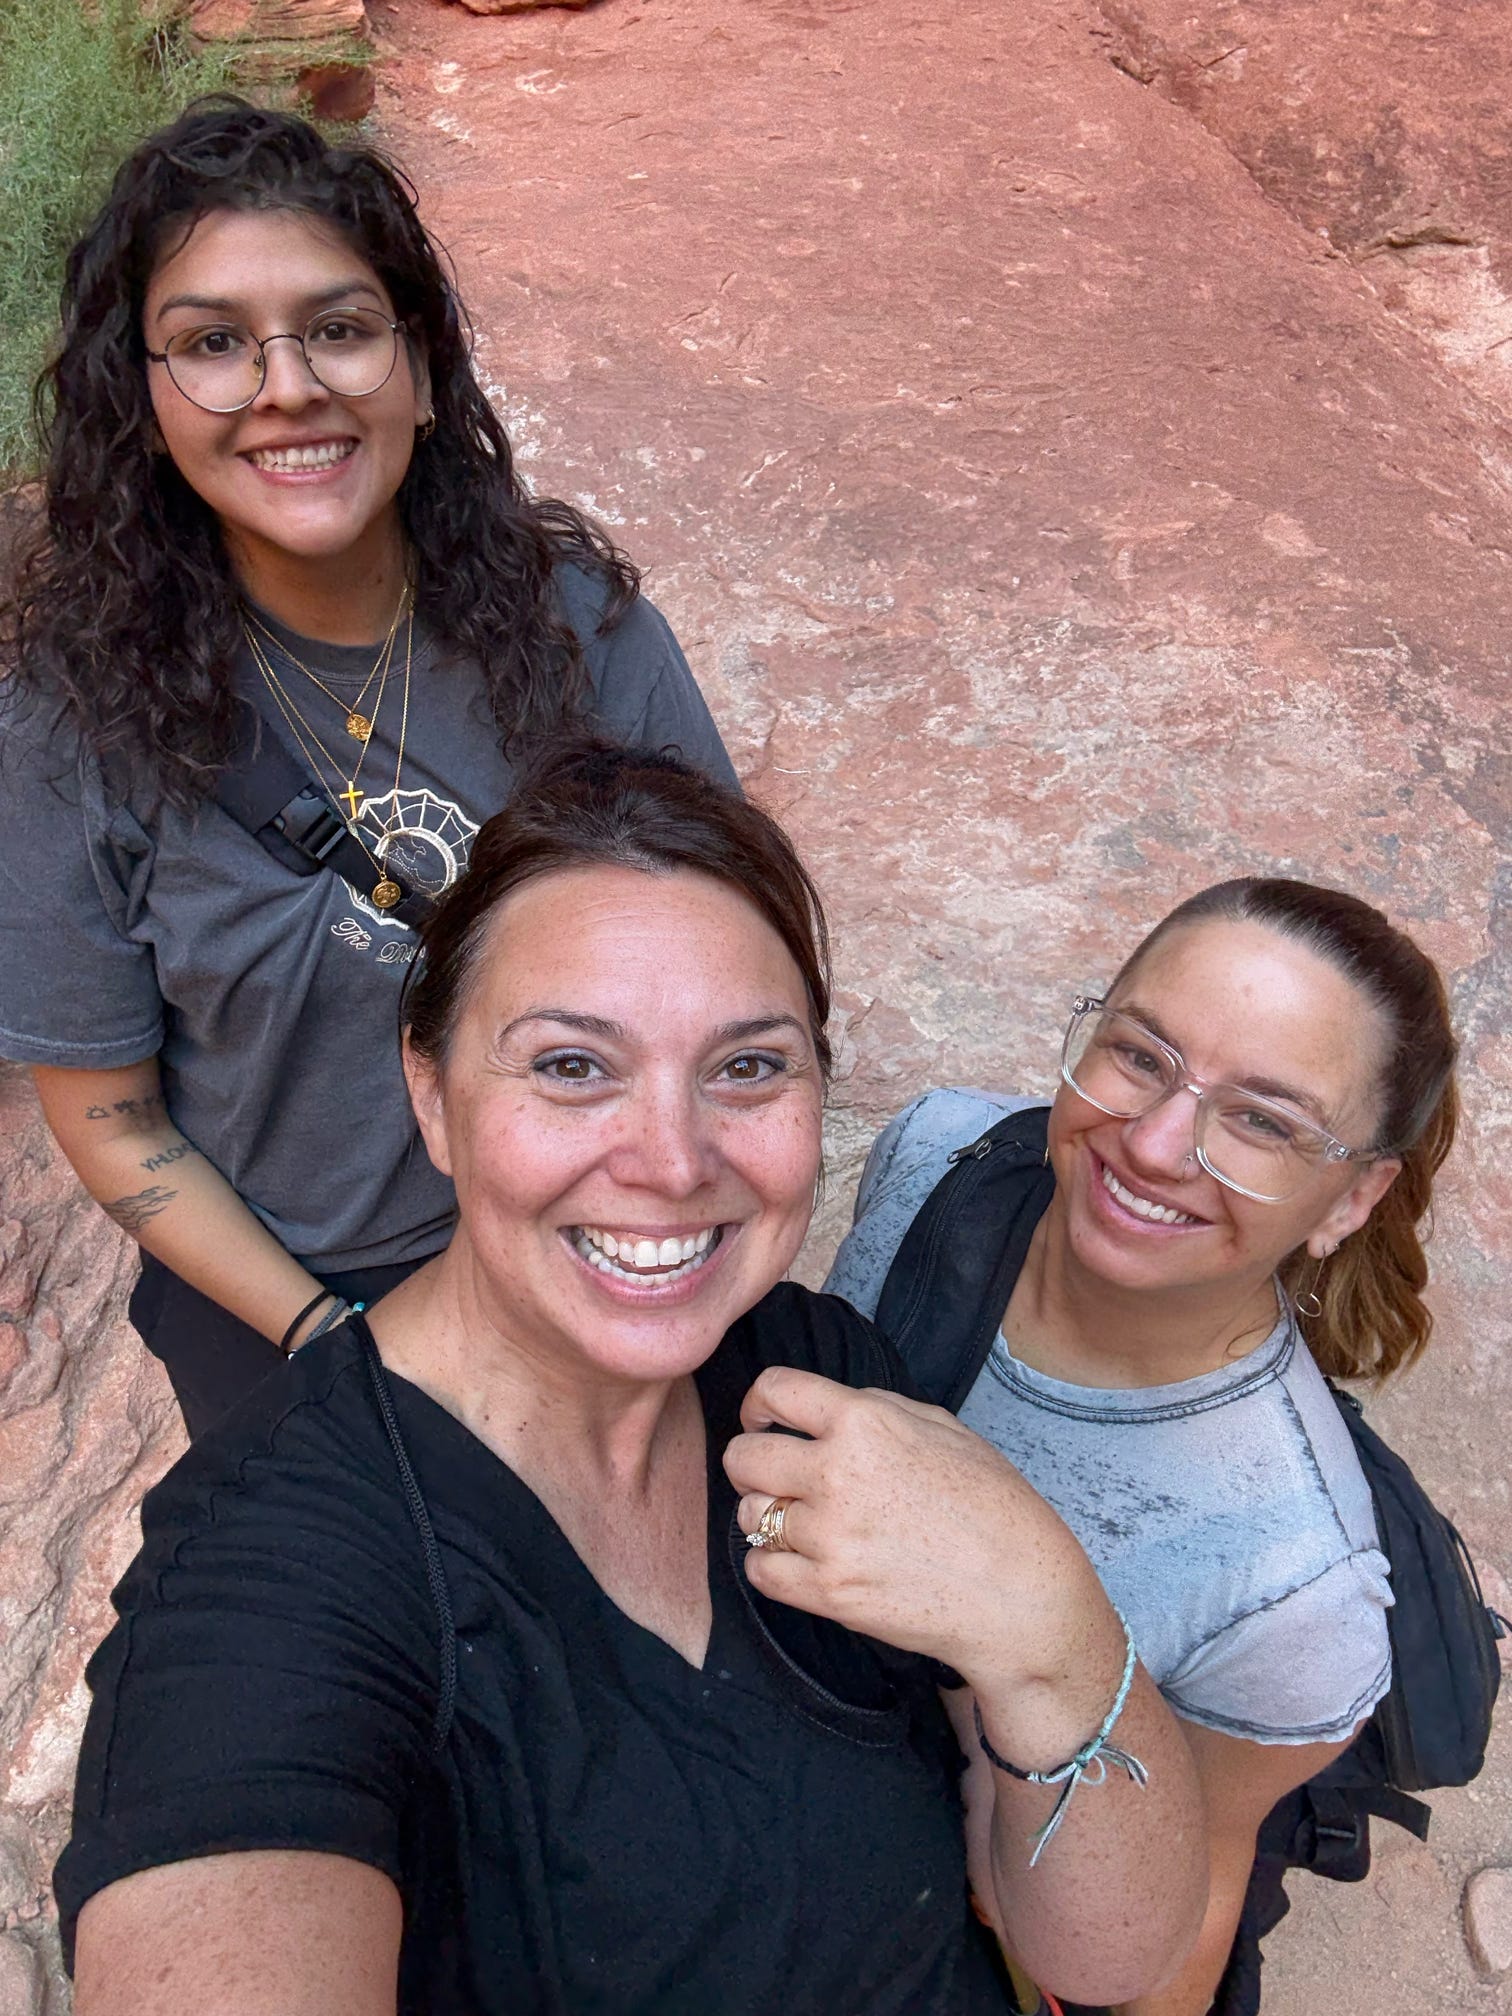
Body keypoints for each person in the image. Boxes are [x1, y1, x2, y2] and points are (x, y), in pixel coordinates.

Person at [55, 742, 1206, 2016]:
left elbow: (1104, 1954)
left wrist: (1052, 1624)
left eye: (749, 1067)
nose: (670, 1160)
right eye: (570, 1065)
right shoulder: (269, 1587)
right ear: (431, 1094)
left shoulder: (819, 1371)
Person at [0, 98, 733, 1439]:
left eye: (339, 329)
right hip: (297, 1294)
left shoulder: (576, 626)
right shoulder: (70, 724)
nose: (289, 387)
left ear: (423, 369)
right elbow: (112, 1121)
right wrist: (332, 1347)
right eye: (212, 343)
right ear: (142, 396)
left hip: (596, 1228)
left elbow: (726, 957)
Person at [825, 877, 1459, 2016]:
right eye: (1141, 1056)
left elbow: (1173, 1931)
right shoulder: (942, 1153)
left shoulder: (1298, 1592)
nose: (1158, 1145)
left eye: (1263, 1121)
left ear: (1351, 1199)